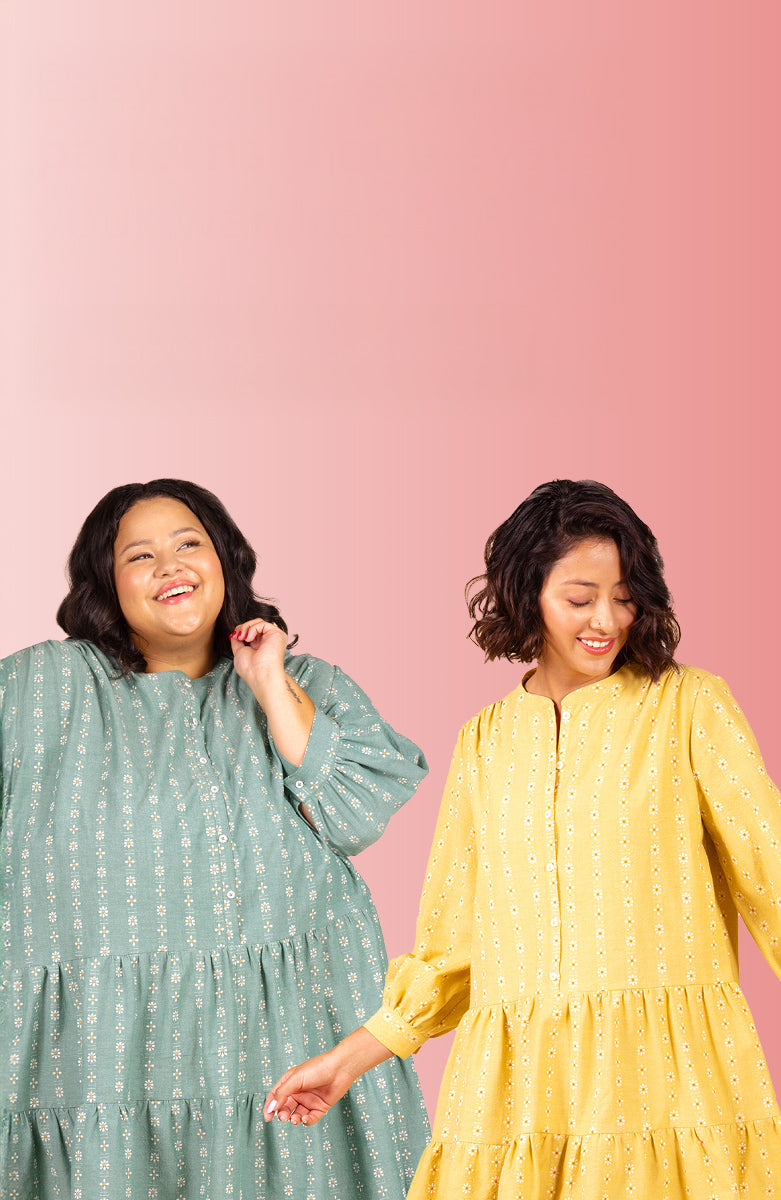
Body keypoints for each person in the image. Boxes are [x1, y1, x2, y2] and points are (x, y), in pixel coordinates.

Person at [266, 479, 781, 1198]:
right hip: (517, 1095)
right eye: (580, 598)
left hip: (663, 1083)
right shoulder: (484, 741)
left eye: (624, 597)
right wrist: (344, 1063)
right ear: (525, 596)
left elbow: (769, 872)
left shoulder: (689, 705)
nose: (606, 619)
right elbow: (453, 948)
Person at [0, 478, 430, 1199]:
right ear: (106, 583)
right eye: (140, 556)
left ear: (224, 559)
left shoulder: (306, 683)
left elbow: (355, 814)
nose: (169, 566)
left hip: (284, 1052)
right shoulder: (39, 689)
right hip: (95, 1064)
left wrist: (268, 682)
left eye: (188, 544)